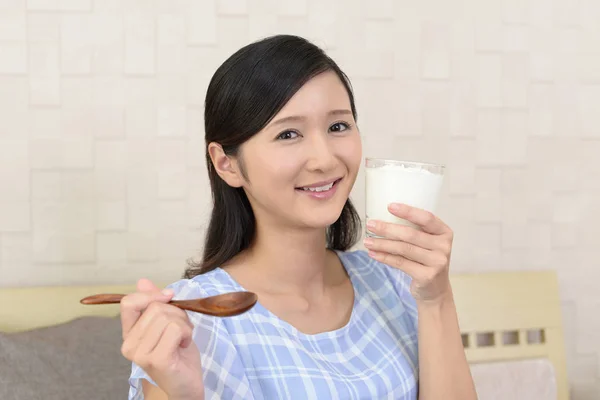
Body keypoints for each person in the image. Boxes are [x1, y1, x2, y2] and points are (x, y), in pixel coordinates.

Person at [121, 34, 477, 400]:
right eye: (288, 134)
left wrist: (437, 299)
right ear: (226, 163)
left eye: (338, 126)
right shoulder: (194, 320)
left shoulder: (395, 282)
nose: (324, 159)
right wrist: (181, 392)